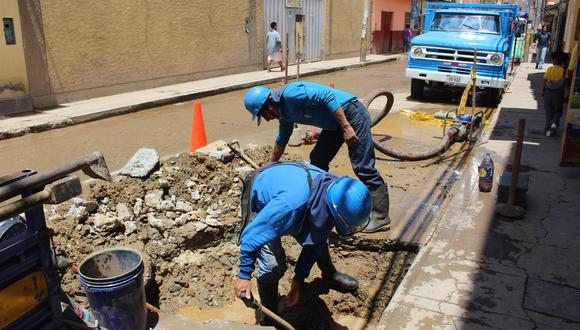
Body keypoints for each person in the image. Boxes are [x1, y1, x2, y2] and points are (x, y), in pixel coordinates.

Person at [233, 162, 372, 326]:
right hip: (262, 197)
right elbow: (252, 237)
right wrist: (244, 276)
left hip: (291, 186)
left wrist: (297, 283)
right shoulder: (290, 206)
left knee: (321, 234)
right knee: (272, 264)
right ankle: (271, 320)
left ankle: (329, 273)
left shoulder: (336, 190)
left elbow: (315, 241)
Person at [243, 82, 390, 233]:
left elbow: (327, 96)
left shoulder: (291, 93)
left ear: (268, 106)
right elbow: (282, 138)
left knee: (362, 165)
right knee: (317, 163)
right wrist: (270, 165)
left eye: (263, 115)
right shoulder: (285, 115)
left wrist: (346, 127)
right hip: (334, 125)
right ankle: (323, 209)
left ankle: (381, 216)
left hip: (351, 114)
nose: (266, 119)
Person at [542, 51, 566, 137]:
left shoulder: (550, 69)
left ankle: (548, 129)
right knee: (558, 111)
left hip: (548, 91)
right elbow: (565, 81)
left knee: (549, 112)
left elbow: (545, 80)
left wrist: (543, 91)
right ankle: (554, 123)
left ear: (555, 60)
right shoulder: (563, 70)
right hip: (558, 93)